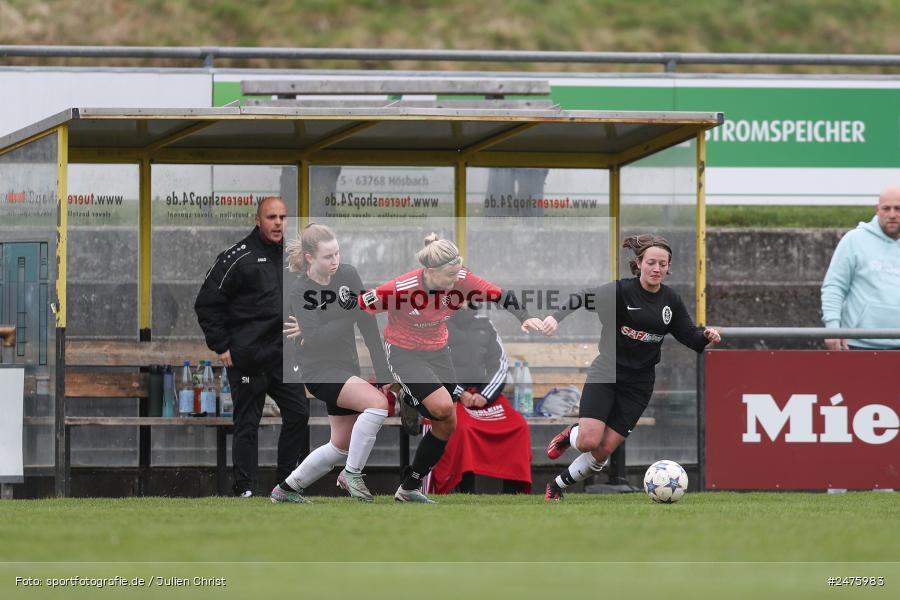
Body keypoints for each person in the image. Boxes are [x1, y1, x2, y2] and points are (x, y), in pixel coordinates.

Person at [359, 233, 546, 503]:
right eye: (449, 276)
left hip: (438, 350)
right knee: (443, 407)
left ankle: (409, 487)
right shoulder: (403, 287)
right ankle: (408, 395)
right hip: (404, 353)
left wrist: (525, 317)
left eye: (457, 274)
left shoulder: (461, 278)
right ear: (430, 271)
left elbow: (500, 295)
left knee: (448, 424)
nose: (454, 282)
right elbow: (361, 305)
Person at [540, 234, 721, 501]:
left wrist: (706, 336)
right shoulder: (620, 291)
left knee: (602, 451)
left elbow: (689, 336)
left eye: (662, 264)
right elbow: (581, 297)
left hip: (639, 384)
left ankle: (556, 486)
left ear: (668, 267)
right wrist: (555, 318)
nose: (656, 269)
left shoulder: (671, 300)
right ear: (639, 264)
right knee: (589, 441)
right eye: (651, 263)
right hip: (607, 373)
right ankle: (571, 435)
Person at [195, 197, 310, 497]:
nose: (278, 223)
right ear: (258, 220)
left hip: (283, 357)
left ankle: (287, 484)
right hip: (247, 356)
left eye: (283, 217)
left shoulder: (292, 257)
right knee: (247, 422)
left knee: (298, 412)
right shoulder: (237, 257)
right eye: (272, 217)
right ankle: (244, 488)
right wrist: (221, 346)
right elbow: (206, 303)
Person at [271, 223, 394, 503]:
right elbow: (314, 340)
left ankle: (286, 489)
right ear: (309, 258)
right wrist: (353, 308)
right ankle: (352, 474)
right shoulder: (300, 291)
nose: (335, 260)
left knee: (340, 445)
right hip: (318, 370)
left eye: (337, 253)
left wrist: (384, 373)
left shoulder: (348, 274)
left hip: (347, 367)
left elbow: (368, 324)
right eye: (328, 256)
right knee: (377, 405)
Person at [421, 306, 532, 495]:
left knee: (518, 426)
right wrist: (460, 393)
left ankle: (515, 493)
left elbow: (499, 364)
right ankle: (464, 490)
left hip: (484, 395)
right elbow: (430, 365)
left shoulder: (486, 324)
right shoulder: (434, 324)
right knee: (462, 428)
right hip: (448, 395)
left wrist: (485, 395)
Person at [822, 185, 900, 351]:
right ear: (877, 209)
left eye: (898, 208)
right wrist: (832, 326)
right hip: (857, 345)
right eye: (886, 208)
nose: (892, 214)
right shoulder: (854, 240)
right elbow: (834, 286)